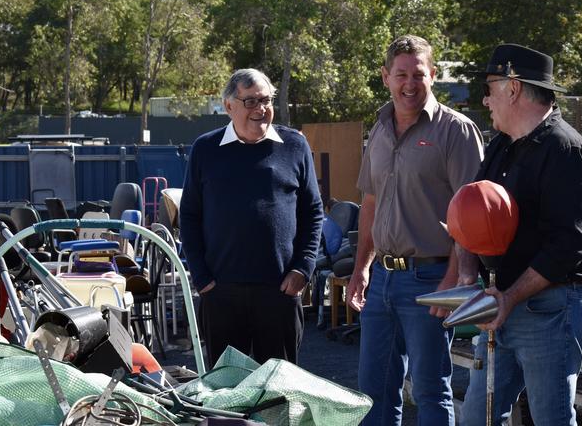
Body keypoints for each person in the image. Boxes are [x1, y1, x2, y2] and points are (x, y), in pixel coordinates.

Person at [346, 34, 484, 425]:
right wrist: (361, 269)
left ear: (434, 75)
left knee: (428, 390)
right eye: (401, 74)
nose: (410, 84)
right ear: (385, 76)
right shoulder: (380, 130)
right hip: (382, 282)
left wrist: (454, 280)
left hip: (431, 279)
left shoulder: (455, 131)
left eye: (418, 74)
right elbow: (369, 204)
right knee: (374, 392)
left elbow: (472, 215)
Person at [459, 44, 582, 426]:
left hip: (550, 309)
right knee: (477, 418)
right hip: (501, 305)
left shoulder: (566, 150)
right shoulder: (501, 145)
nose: (486, 100)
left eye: (490, 87)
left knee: (550, 419)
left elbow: (566, 247)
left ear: (513, 88)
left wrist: (507, 297)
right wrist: (467, 278)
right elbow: (471, 211)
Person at [180, 68, 323, 368]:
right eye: (251, 102)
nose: (261, 109)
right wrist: (202, 278)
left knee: (279, 392)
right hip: (221, 295)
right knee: (226, 394)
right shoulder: (205, 149)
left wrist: (303, 268)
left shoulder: (295, 146)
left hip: (280, 291)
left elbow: (313, 211)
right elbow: (189, 215)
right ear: (228, 106)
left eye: (266, 100)